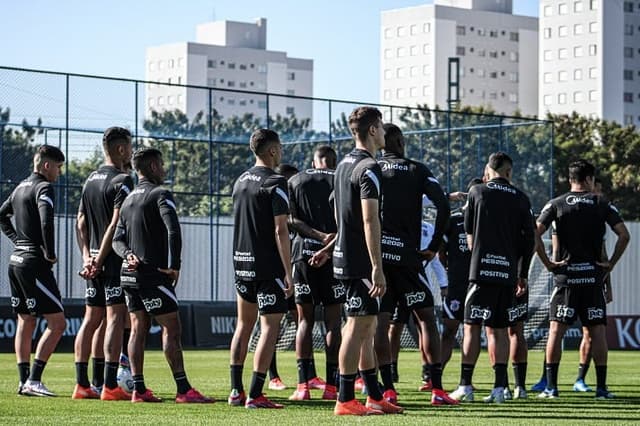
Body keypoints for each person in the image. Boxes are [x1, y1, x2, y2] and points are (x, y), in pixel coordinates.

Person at [312, 106, 399, 416]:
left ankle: (373, 395)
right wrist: (377, 266)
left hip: (344, 256)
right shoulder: (370, 166)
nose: (386, 133)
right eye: (383, 127)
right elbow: (368, 219)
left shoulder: (344, 163)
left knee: (365, 324)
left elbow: (340, 214)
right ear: (373, 130)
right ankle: (345, 398)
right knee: (359, 325)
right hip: (360, 261)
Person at [112, 148, 213, 404]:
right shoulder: (161, 194)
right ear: (154, 166)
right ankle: (183, 390)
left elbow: (116, 240)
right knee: (172, 328)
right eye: (163, 164)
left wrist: (126, 255)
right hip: (152, 275)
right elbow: (173, 231)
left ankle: (139, 390)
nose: (165, 169)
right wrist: (174, 265)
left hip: (128, 275)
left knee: (138, 329)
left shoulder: (127, 199)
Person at [374, 122, 455, 407]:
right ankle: (437, 388)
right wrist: (433, 247)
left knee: (380, 324)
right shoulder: (417, 170)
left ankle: (387, 389)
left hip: (379, 259)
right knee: (427, 320)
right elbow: (443, 205)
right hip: (409, 260)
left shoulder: (370, 168)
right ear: (400, 141)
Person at [535, 160, 629, 399]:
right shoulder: (601, 203)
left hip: (566, 279)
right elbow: (623, 236)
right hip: (592, 278)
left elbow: (534, 233)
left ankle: (551, 388)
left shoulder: (556, 204)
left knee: (556, 331)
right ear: (589, 179)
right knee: (597, 332)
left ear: (570, 179)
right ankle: (601, 389)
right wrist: (610, 264)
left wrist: (548, 263)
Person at [449, 152, 535, 404]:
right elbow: (529, 240)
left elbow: (468, 234)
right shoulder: (521, 198)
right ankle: (500, 388)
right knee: (499, 330)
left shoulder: (477, 192)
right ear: (509, 172)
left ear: (489, 169)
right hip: (507, 274)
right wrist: (522, 273)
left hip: (481, 272)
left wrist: (479, 257)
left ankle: (466, 385)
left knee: (472, 327)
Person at [227, 129, 294, 409]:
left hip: (242, 265)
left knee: (243, 325)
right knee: (269, 328)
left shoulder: (240, 180)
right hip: (267, 268)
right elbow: (281, 230)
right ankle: (256, 394)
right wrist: (289, 272)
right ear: (272, 151)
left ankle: (235, 391)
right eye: (280, 147)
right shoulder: (276, 182)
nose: (281, 151)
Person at [73, 127, 134, 400]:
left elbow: (81, 221)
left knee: (90, 320)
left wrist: (87, 255)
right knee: (115, 319)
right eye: (130, 147)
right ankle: (110, 385)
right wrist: (100, 258)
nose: (132, 152)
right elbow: (116, 222)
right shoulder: (123, 180)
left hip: (92, 262)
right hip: (110, 262)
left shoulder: (90, 180)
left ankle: (84, 384)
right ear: (121, 149)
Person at [0, 145, 66, 397]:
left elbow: (1, 216)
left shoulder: (19, 187)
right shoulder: (43, 187)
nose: (58, 174)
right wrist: (49, 252)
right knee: (58, 323)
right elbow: (46, 220)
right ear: (46, 165)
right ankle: (34, 380)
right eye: (58, 168)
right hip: (33, 262)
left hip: (15, 261)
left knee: (25, 320)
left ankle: (22, 381)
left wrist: (18, 241)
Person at [286, 146, 343, 401]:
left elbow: (290, 220)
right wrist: (327, 243)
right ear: (334, 161)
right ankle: (332, 387)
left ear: (314, 161)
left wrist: (316, 237)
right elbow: (348, 221)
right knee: (333, 321)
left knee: (305, 321)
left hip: (302, 256)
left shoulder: (295, 180)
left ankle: (302, 387)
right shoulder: (340, 178)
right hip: (335, 257)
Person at [440, 179, 481, 377]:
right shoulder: (454, 220)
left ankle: (467, 380)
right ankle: (434, 376)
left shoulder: (487, 219)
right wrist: (445, 277)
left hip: (479, 284)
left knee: (473, 332)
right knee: (448, 331)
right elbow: (440, 253)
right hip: (456, 285)